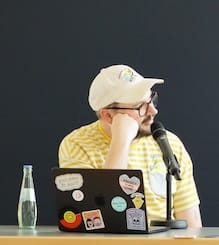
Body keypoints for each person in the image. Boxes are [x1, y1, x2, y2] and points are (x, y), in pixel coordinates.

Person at [58, 64, 202, 228]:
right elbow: (98, 220)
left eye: (151, 100)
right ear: (107, 115)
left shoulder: (170, 143)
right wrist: (121, 141)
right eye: (140, 106)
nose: (153, 111)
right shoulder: (77, 144)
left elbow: (192, 224)